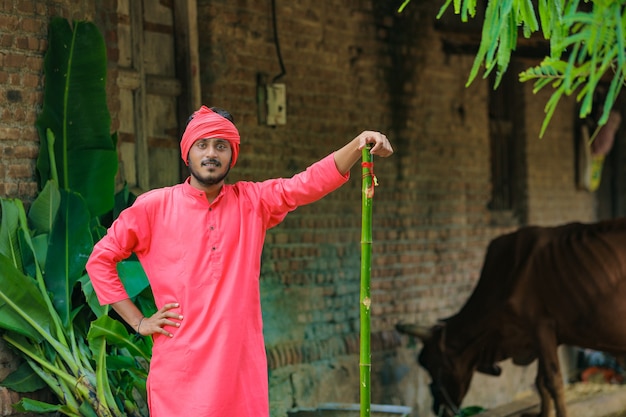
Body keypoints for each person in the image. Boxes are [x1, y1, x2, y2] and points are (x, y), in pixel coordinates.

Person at [86, 105, 393, 417]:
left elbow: (305, 184)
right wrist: (139, 322)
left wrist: (358, 144)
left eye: (221, 146)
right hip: (180, 371)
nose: (211, 154)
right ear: (187, 152)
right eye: (202, 144)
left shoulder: (252, 202)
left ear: (232, 155)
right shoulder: (154, 207)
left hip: (240, 371)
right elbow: (100, 261)